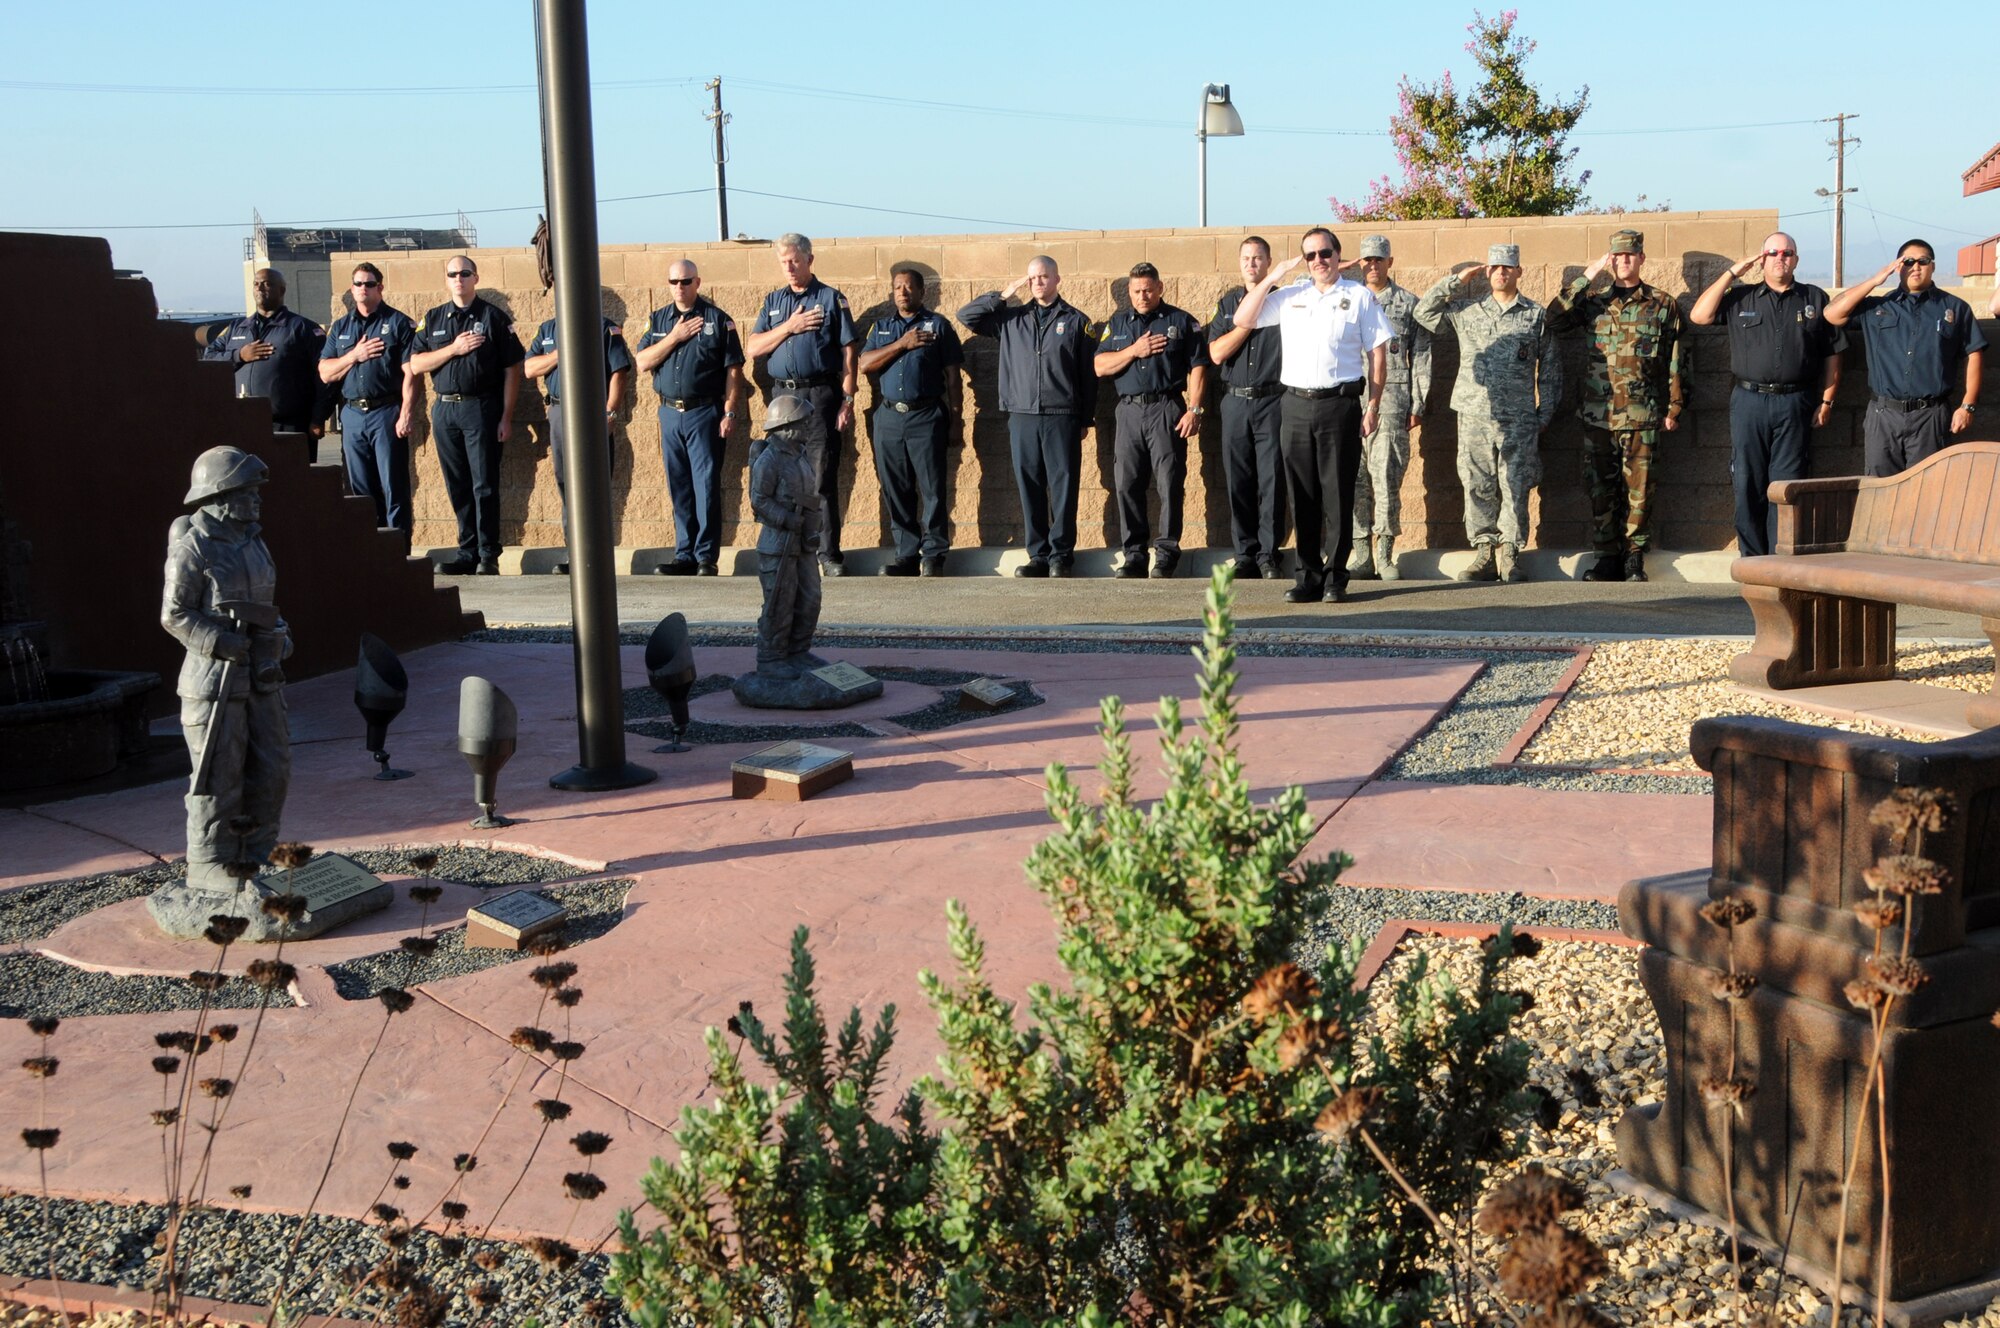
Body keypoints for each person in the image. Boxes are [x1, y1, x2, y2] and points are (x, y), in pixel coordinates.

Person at [1232, 228, 1389, 603]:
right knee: (1301, 495)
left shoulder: (1359, 296)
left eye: (1325, 253)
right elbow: (1243, 318)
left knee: (1336, 494)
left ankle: (1335, 577)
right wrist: (1272, 277)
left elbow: (1378, 353)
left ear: (1338, 255)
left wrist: (1374, 405)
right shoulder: (1290, 297)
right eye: (1310, 256)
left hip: (1340, 405)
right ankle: (1308, 576)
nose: (1318, 261)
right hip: (1296, 406)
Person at [161, 446, 291, 893]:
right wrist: (221, 642)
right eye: (247, 491)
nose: (257, 499)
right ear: (219, 496)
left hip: (261, 677)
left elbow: (268, 606)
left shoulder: (253, 541)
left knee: (273, 768)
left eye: (256, 491)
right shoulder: (193, 547)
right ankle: (210, 862)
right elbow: (174, 613)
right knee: (220, 774)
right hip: (213, 683)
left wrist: (280, 633)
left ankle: (257, 854)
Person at [1414, 244, 1563, 583]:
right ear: (1487, 272)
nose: (1501, 272)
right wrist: (1455, 280)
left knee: (1514, 485)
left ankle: (1510, 553)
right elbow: (1423, 312)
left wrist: (1544, 414)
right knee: (1477, 483)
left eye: (1508, 267)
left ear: (1518, 272)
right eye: (1495, 267)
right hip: (1474, 414)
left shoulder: (1536, 315)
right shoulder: (1467, 311)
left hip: (1519, 418)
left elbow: (1551, 370)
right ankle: (1484, 552)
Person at [1689, 232, 1844, 557]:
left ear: (1796, 260)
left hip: (1796, 403)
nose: (1780, 258)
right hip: (1749, 403)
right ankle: (1753, 562)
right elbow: (1699, 316)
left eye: (1787, 253)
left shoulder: (1815, 299)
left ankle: (1781, 560)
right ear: (1762, 259)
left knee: (1786, 487)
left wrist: (1827, 399)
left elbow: (1833, 352)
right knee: (1747, 482)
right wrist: (1733, 272)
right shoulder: (1741, 297)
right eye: (1773, 252)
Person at [1546, 228, 1686, 582]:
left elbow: (1677, 359)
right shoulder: (1593, 302)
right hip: (1598, 416)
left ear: (1641, 257)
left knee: (1640, 493)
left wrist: (1675, 406)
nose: (1623, 261)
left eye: (1629, 255)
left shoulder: (1662, 304)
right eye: (1617, 256)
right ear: (1610, 259)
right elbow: (1554, 319)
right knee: (1600, 491)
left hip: (1642, 415)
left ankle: (1634, 557)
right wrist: (1587, 276)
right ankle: (1607, 556)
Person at [959, 257, 1100, 578]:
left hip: (1062, 416)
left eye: (1044, 276)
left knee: (1063, 486)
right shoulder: (1010, 319)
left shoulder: (1077, 321)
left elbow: (1088, 377)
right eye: (1032, 277)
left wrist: (1085, 419)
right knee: (1030, 486)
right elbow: (967, 316)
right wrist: (1004, 294)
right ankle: (1038, 555)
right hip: (1022, 415)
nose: (1037, 282)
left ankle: (1061, 555)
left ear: (1057, 279)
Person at [743, 234, 859, 576]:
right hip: (782, 400)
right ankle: (787, 548)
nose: (790, 268)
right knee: (781, 477)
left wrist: (847, 399)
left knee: (820, 479)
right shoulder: (774, 302)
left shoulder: (831, 298)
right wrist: (789, 327)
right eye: (784, 262)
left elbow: (849, 353)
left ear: (810, 260)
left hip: (819, 396)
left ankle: (827, 553)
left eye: (795, 260)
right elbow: (754, 347)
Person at [1823, 238, 1985, 476]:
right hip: (1883, 415)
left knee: (1927, 491)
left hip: (1930, 416)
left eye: (1923, 261)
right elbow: (1831, 314)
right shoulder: (1877, 307)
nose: (1916, 266)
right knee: (1880, 490)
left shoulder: (1955, 308)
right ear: (1898, 266)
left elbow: (1974, 353)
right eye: (1908, 261)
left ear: (1933, 266)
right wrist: (1876, 280)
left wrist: (1967, 406)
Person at [405, 256, 525, 576]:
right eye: (453, 274)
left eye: (465, 273)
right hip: (445, 410)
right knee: (457, 483)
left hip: (481, 408)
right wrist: (453, 350)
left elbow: (513, 369)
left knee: (484, 483)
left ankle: (488, 554)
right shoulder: (432, 319)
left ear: (476, 278)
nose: (459, 279)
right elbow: (415, 365)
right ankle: (466, 551)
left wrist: (506, 416)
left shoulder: (494, 318)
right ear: (446, 280)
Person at [1094, 262, 1208, 578]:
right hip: (1128, 411)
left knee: (1169, 482)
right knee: (1127, 483)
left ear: (1159, 287)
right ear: (1129, 292)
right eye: (1136, 291)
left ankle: (1166, 554)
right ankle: (1134, 556)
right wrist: (1135, 350)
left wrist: (1195, 409)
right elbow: (1100, 366)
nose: (1142, 296)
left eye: (1147, 289)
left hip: (1167, 408)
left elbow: (1198, 366)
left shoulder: (1181, 321)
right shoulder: (1117, 324)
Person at [636, 260, 746, 577]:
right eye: (674, 282)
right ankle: (684, 553)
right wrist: (674, 337)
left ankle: (705, 558)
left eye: (685, 281)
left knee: (706, 486)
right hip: (670, 412)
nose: (680, 287)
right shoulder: (658, 321)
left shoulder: (718, 320)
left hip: (705, 413)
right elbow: (643, 361)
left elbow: (734, 371)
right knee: (679, 485)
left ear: (697, 282)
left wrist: (729, 411)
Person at [857, 267, 965, 577]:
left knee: (932, 488)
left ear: (922, 292)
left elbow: (953, 377)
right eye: (897, 287)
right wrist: (901, 344)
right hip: (889, 417)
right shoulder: (881, 328)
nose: (902, 292)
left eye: (908, 287)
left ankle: (933, 554)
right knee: (896, 487)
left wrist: (957, 421)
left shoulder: (939, 326)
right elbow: (864, 364)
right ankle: (906, 553)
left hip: (926, 416)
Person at [524, 299, 634, 573]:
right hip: (560, 412)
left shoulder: (604, 328)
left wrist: (610, 412)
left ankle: (596, 556)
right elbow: (529, 369)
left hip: (591, 412)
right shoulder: (548, 330)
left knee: (593, 485)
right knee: (566, 484)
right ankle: (575, 555)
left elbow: (619, 372)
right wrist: (561, 354)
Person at [1347, 234, 1431, 582]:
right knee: (1354, 478)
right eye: (1366, 260)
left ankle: (1384, 552)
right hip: (1349, 398)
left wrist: (1418, 401)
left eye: (1378, 259)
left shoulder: (1408, 304)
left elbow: (1423, 355)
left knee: (1385, 478)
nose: (1372, 265)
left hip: (1393, 402)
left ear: (1390, 262)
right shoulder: (1347, 299)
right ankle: (1361, 552)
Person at [319, 263, 418, 541]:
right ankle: (370, 549)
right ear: (352, 289)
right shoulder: (341, 327)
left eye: (369, 284)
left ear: (380, 287)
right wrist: (354, 355)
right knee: (360, 489)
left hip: (386, 412)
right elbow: (325, 372)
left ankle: (398, 553)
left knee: (392, 487)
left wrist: (406, 412)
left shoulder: (398, 323)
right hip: (352, 415)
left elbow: (412, 373)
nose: (364, 289)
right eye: (359, 284)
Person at [1207, 236, 1287, 579]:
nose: (1251, 264)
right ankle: (1245, 553)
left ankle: (1269, 553)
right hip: (1236, 401)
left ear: (1269, 262)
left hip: (1274, 400)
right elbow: (1216, 353)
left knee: (1272, 480)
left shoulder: (1285, 302)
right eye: (1246, 258)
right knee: (1238, 480)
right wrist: (1244, 326)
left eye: (1258, 258)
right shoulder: (1227, 304)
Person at [203, 267, 331, 455]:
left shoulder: (303, 329)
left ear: (282, 290)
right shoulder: (237, 328)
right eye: (256, 284)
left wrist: (318, 418)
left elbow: (325, 378)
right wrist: (239, 355)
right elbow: (209, 358)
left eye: (267, 283)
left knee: (290, 480)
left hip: (289, 425)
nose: (260, 288)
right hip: (245, 423)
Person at [747, 395, 824, 679]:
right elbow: (759, 500)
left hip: (803, 541)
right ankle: (771, 658)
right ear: (788, 425)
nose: (807, 427)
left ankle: (798, 651)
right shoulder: (769, 460)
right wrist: (787, 518)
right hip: (778, 545)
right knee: (781, 601)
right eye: (803, 422)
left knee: (810, 598)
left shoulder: (800, 455)